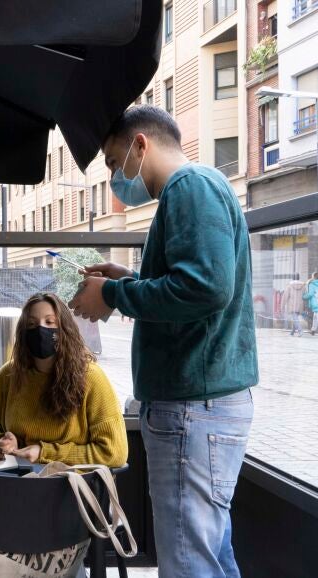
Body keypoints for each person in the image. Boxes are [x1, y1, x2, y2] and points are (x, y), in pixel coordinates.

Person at [68, 105, 257, 578]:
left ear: (141, 145)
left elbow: (207, 287)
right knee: (209, 554)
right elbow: (193, 288)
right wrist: (128, 280)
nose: (115, 177)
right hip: (200, 404)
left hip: (193, 406)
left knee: (189, 561)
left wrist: (113, 295)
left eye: (114, 163)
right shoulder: (196, 188)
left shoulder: (190, 186)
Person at [0, 293, 127, 468]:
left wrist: (44, 452)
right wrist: (1, 442)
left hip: (67, 481)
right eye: (31, 324)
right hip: (16, 478)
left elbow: (115, 452)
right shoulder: (9, 375)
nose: (40, 330)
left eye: (49, 322)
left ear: (65, 329)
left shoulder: (91, 377)